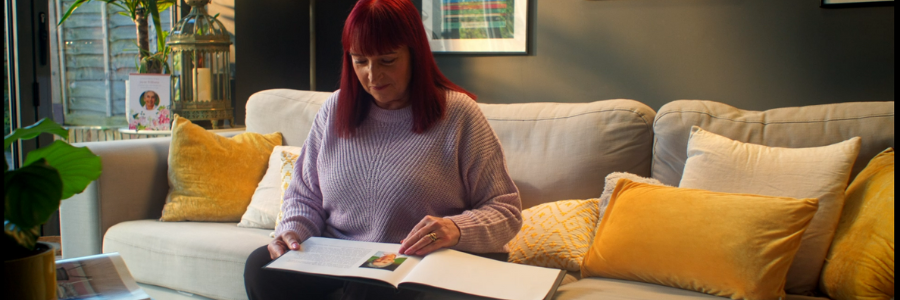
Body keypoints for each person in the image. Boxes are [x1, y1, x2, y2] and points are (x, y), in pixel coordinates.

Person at [243, 0, 522, 299]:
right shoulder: (334, 110)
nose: (372, 76)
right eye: (360, 61)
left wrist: (455, 228)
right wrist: (293, 232)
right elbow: (305, 196)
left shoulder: (458, 114)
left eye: (387, 60)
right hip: (342, 256)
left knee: (369, 290)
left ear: (415, 55)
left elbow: (505, 211)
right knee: (260, 266)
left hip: (420, 261)